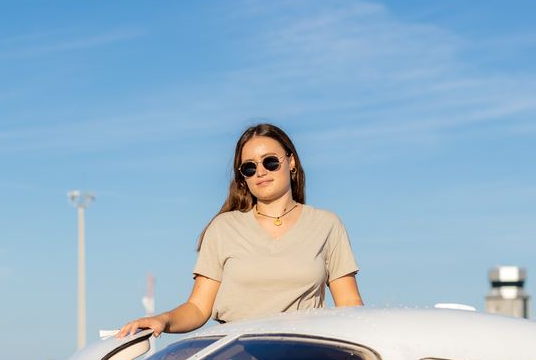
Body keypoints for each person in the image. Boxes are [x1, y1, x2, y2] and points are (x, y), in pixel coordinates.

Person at [118, 122, 362, 340]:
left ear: (291, 162)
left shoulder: (327, 224)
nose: (261, 172)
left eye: (270, 161)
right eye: (249, 167)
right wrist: (163, 320)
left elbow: (349, 306)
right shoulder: (223, 228)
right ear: (243, 177)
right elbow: (198, 307)